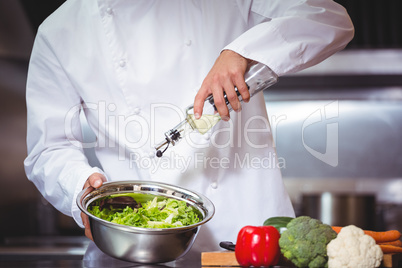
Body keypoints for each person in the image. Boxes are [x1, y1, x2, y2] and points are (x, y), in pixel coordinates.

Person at [24, 0, 354, 263]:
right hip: (131, 244)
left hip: (248, 239)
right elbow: (48, 148)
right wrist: (79, 185)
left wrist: (242, 51)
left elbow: (330, 18)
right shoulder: (60, 30)